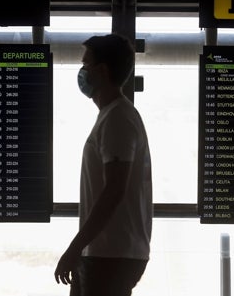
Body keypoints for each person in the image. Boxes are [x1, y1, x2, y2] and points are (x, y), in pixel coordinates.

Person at [54, 33, 153, 296]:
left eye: (86, 64)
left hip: (111, 253)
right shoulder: (112, 115)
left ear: (103, 70)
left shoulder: (118, 119)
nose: (82, 71)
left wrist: (74, 248)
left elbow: (114, 190)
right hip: (104, 252)